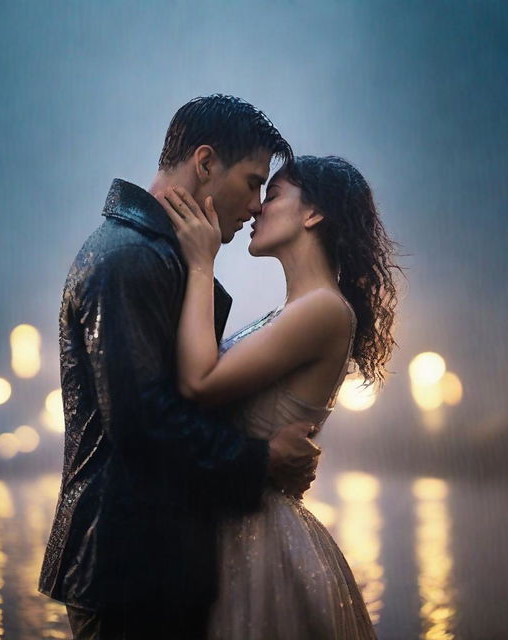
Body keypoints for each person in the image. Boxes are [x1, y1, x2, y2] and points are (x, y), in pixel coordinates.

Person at [37, 95, 322, 639]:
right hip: (126, 566)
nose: (257, 205)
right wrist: (261, 460)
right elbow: (143, 423)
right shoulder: (130, 259)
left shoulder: (157, 257)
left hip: (146, 560)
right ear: (206, 163)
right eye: (253, 181)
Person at [157, 154, 402, 639]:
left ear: (313, 214)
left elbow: (200, 384)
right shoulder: (294, 311)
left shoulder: (324, 311)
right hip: (238, 526)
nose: (256, 209)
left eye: (272, 197)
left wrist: (202, 263)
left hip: (262, 543)